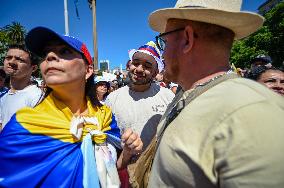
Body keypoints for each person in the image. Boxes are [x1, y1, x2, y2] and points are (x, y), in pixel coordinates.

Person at [143, 0, 284, 187]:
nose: (162, 53)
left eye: (165, 41)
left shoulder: (251, 111)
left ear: (187, 39)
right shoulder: (188, 95)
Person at [0, 27, 142, 187]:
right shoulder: (23, 126)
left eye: (65, 51)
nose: (51, 56)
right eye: (46, 53)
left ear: (88, 71)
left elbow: (112, 168)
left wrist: (128, 151)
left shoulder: (105, 116)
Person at [105, 41, 174, 151]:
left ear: (155, 72)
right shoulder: (112, 99)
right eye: (136, 63)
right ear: (129, 65)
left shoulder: (168, 96)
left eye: (147, 66)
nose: (139, 69)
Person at [0, 44, 42, 130]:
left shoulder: (37, 97)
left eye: (19, 59)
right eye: (8, 57)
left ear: (33, 68)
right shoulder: (3, 96)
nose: (11, 62)